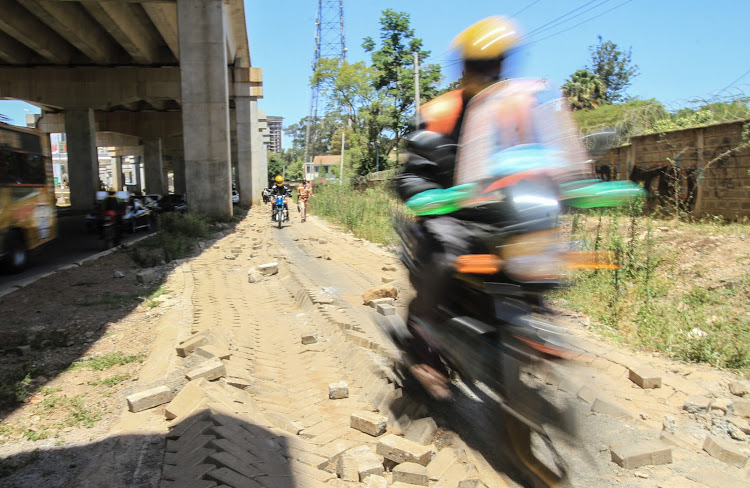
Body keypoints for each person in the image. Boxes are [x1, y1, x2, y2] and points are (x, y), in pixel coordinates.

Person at [393, 16, 523, 399]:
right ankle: (424, 346)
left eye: (496, 63)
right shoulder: (440, 112)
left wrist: (570, 184)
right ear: (465, 67)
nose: (489, 72)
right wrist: (430, 196)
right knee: (447, 255)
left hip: (500, 220)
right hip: (449, 217)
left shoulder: (513, 113)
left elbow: (539, 161)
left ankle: (526, 335)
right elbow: (410, 173)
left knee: (540, 258)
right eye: (481, 65)